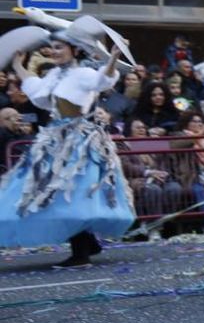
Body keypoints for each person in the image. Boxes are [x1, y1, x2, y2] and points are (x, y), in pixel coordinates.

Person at [0, 22, 134, 266]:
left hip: (79, 143)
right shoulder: (53, 75)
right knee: (55, 193)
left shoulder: (83, 74)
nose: (54, 51)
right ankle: (87, 244)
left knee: (72, 194)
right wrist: (18, 65)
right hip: (55, 140)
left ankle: (81, 252)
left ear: (74, 49)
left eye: (59, 47)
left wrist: (113, 57)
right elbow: (37, 93)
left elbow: (103, 80)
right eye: (52, 47)